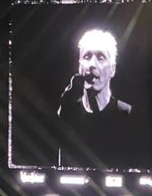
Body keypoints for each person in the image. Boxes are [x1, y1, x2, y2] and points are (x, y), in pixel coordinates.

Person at [57, 29, 135, 168]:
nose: (92, 64)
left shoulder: (125, 112)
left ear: (112, 69)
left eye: (100, 57)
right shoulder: (68, 110)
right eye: (87, 57)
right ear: (80, 67)